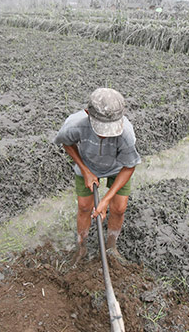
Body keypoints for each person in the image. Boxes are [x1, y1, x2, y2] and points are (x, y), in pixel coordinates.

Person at [54, 88, 141, 265]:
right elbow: (66, 142)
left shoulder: (126, 133)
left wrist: (106, 200)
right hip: (87, 164)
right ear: (87, 113)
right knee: (85, 207)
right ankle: (81, 247)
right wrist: (85, 170)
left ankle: (111, 247)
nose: (104, 134)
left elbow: (129, 166)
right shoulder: (75, 124)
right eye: (101, 129)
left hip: (117, 167)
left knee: (119, 208)